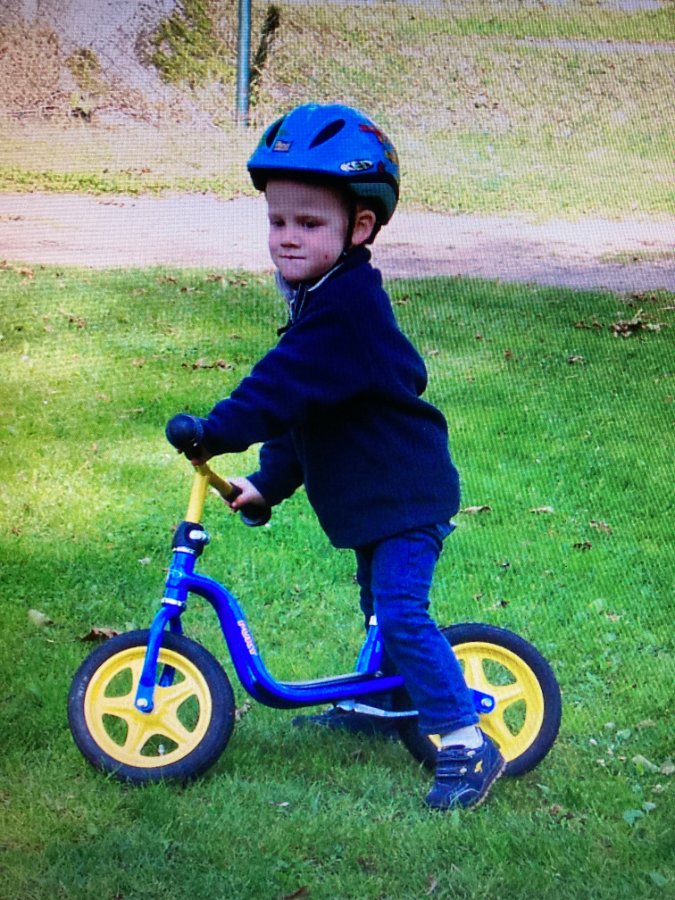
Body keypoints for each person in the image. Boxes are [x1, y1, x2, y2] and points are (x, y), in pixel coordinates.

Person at [172, 103, 504, 809]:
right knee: (380, 612)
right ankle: (382, 703)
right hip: (372, 502)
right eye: (277, 221)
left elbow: (280, 386)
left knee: (401, 613)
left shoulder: (346, 308)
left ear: (359, 227)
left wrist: (217, 430)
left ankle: (466, 741)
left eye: (309, 223)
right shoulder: (317, 299)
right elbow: (306, 408)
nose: (287, 237)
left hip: (405, 499)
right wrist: (267, 482)